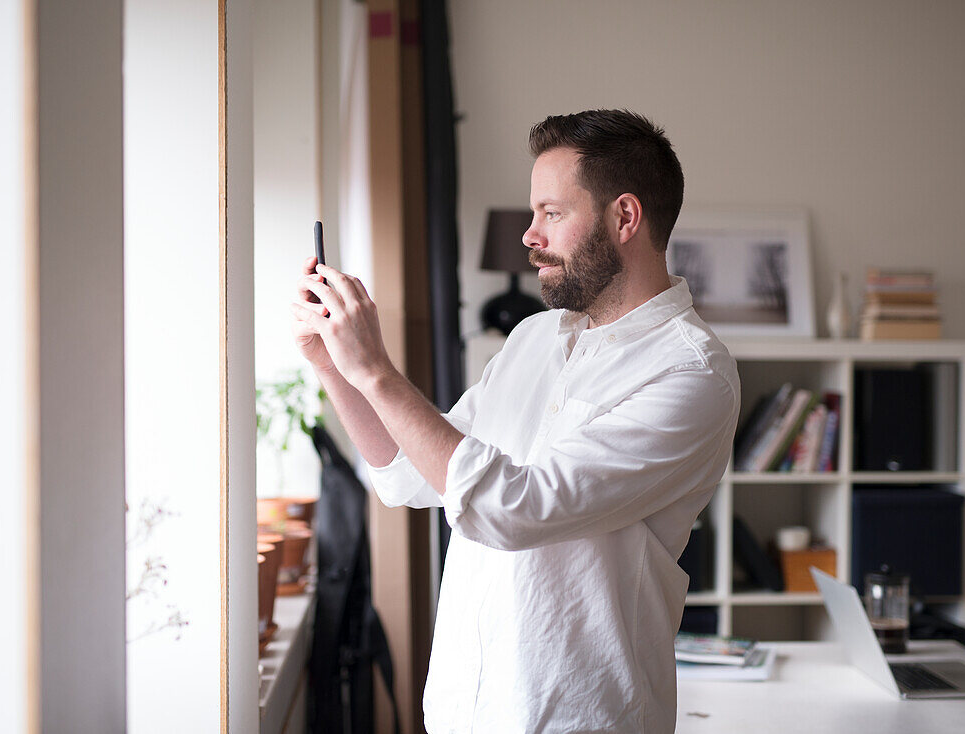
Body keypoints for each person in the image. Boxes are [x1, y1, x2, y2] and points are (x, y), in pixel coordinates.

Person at [290, 109, 740, 734]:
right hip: (463, 712)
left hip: (577, 720)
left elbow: (512, 509)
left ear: (625, 217)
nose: (530, 235)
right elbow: (409, 476)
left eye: (551, 214)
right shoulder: (534, 337)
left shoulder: (691, 374)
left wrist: (377, 372)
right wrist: (334, 366)